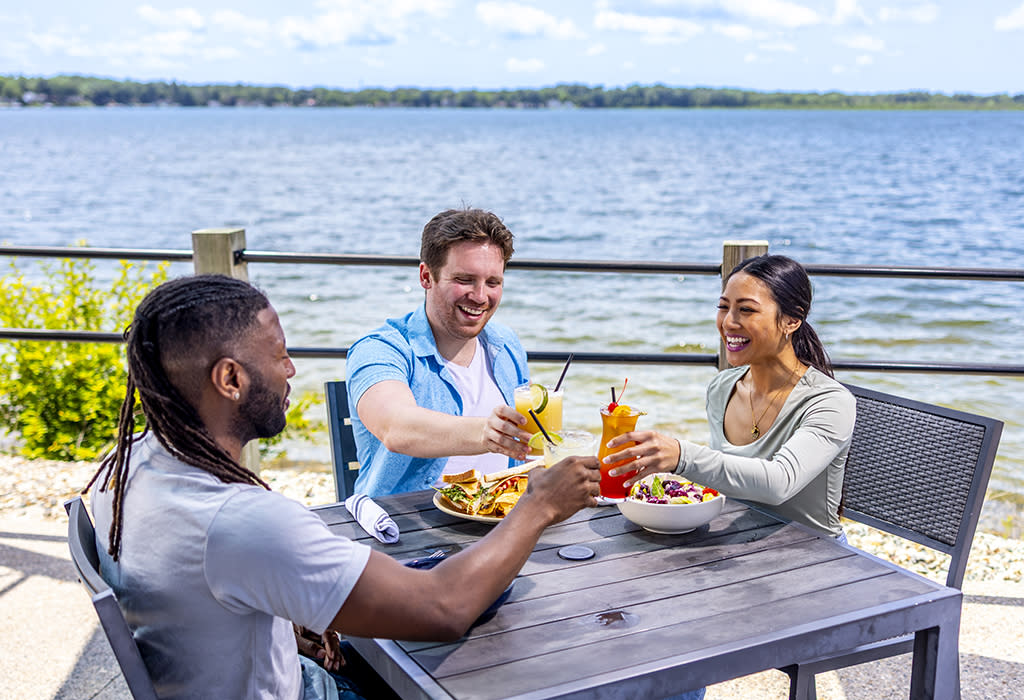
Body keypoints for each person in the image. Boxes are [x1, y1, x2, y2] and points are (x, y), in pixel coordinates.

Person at [86, 274, 601, 699]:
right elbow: (444, 607)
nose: (292, 369)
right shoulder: (240, 524)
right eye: (279, 354)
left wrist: (284, 608)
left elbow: (207, 583)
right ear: (230, 379)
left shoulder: (125, 463)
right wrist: (538, 506)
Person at [605, 254, 856, 539]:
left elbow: (779, 482)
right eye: (723, 307)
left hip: (819, 557)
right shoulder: (722, 387)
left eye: (747, 310)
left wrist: (681, 456)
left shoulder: (829, 401)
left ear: (791, 320)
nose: (729, 322)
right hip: (741, 544)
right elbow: (728, 481)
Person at [346, 208, 534, 497]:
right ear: (426, 276)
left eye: (493, 282)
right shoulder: (380, 349)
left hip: (500, 521)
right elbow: (397, 428)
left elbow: (530, 451)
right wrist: (488, 433)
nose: (481, 296)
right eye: (464, 279)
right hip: (404, 529)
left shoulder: (507, 344)